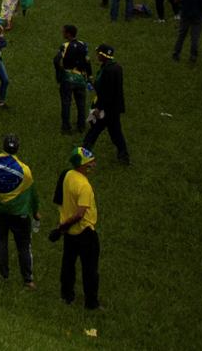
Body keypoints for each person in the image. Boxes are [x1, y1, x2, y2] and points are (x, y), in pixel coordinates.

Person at [0, 134, 37, 288]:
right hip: (19, 214)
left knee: (1, 242)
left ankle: (4, 274)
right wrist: (35, 211)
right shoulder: (24, 171)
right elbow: (32, 194)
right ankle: (28, 279)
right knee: (24, 246)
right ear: (17, 148)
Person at [50, 146, 100, 311]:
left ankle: (66, 295)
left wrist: (61, 228)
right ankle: (91, 303)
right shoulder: (84, 186)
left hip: (69, 233)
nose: (93, 164)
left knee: (68, 265)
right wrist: (63, 226)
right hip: (85, 231)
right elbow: (80, 214)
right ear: (83, 165)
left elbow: (58, 200)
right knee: (90, 270)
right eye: (90, 162)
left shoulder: (67, 175)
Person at [81, 44, 129, 165]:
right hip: (113, 108)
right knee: (115, 132)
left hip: (106, 108)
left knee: (95, 130)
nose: (97, 56)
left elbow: (107, 92)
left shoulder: (108, 70)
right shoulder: (116, 67)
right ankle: (123, 155)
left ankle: (83, 153)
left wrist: (99, 108)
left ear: (103, 55)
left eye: (99, 54)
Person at [54, 24, 91, 134]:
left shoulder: (65, 46)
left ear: (68, 34)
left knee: (66, 103)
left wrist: (59, 72)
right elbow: (87, 60)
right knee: (81, 104)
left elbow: (56, 60)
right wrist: (89, 76)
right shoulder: (83, 45)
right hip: (80, 79)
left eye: (63, 31)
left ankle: (66, 127)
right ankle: (81, 126)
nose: (62, 33)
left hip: (68, 78)